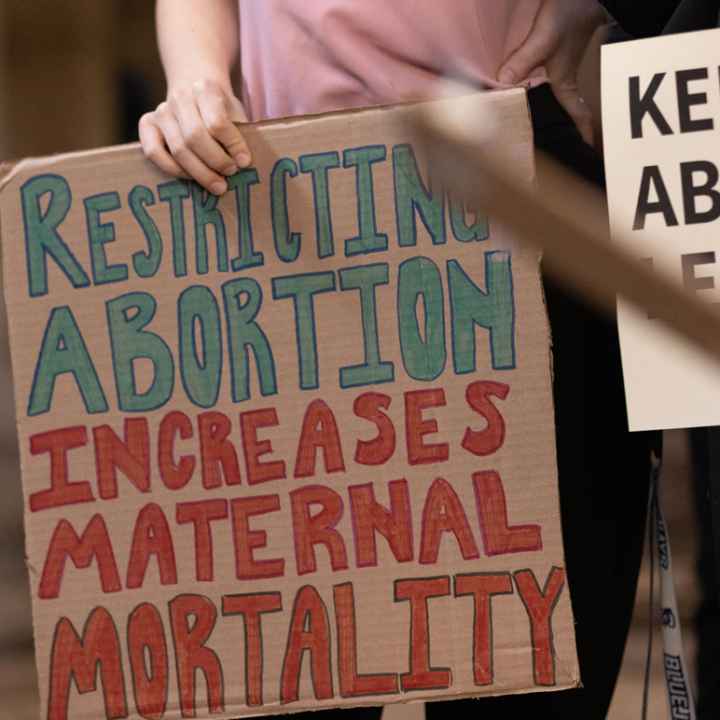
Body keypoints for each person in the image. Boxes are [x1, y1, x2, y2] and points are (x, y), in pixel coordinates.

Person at [139, 2, 653, 717]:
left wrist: (597, 6)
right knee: (298, 665)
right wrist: (195, 75)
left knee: (530, 664)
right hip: (280, 187)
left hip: (519, 152)